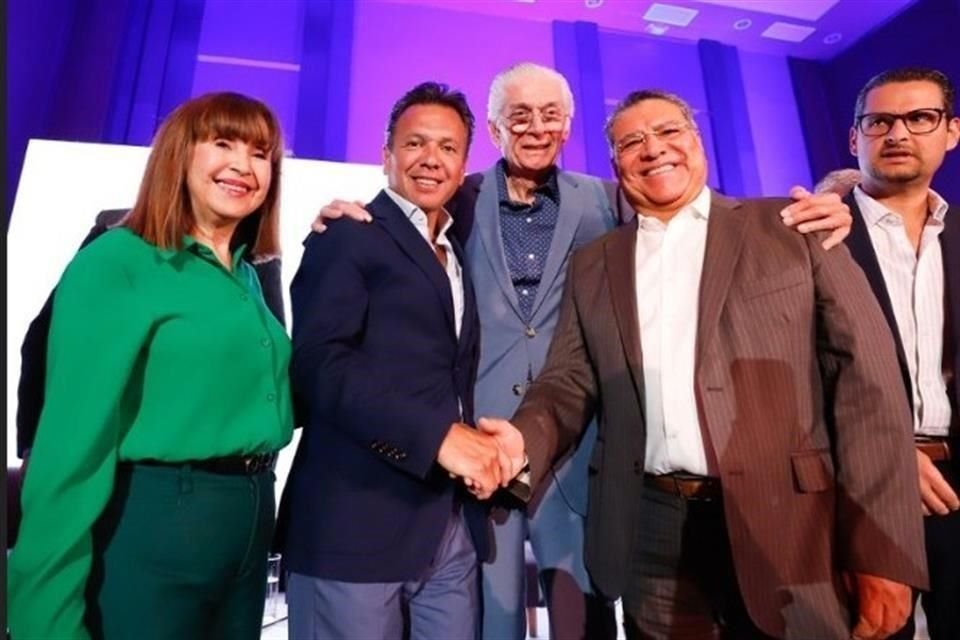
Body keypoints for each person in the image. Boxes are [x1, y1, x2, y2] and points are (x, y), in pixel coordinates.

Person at [316, 62, 854, 640]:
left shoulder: (607, 198)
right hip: (484, 443)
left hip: (579, 448)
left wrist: (817, 209)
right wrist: (347, 214)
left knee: (583, 619)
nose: (536, 127)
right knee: (491, 620)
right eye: (519, 115)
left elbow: (690, 215)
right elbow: (400, 230)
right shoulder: (458, 200)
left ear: (568, 127)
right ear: (495, 130)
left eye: (551, 115)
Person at [486, 88, 929, 640]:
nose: (653, 149)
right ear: (616, 163)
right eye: (632, 141)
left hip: (791, 528)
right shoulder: (595, 264)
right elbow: (569, 382)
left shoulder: (791, 227)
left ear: (697, 142)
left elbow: (869, 387)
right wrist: (517, 442)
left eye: (669, 132)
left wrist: (883, 549)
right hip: (650, 534)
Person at [7, 91, 293, 640]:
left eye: (260, 153)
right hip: (158, 520)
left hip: (249, 520)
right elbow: (70, 449)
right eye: (223, 143)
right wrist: (44, 618)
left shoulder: (247, 277)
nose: (243, 165)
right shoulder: (118, 262)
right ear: (178, 155)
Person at [281, 81, 524, 640]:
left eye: (448, 148)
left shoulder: (456, 250)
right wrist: (439, 437)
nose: (431, 160)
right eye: (415, 144)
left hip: (448, 527)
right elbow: (320, 365)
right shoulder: (347, 235)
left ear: (464, 166)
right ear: (386, 154)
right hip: (354, 523)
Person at [14, 209, 286, 473]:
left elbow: (275, 372)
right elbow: (45, 341)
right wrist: (34, 448)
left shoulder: (257, 251)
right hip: (143, 476)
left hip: (245, 484)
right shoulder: (118, 235)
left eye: (259, 159)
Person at [843, 67, 959, 640]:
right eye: (879, 121)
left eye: (920, 118)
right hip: (860, 489)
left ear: (951, 131)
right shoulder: (814, 236)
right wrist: (885, 454)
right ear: (854, 137)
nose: (898, 133)